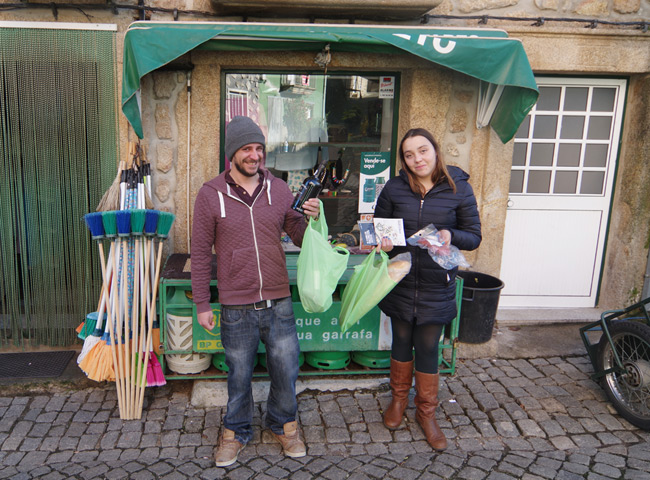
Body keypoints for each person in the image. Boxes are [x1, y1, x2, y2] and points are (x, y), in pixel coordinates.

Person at [191, 116, 320, 467]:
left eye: (259, 149)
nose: (254, 155)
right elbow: (201, 252)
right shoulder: (210, 195)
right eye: (247, 149)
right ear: (232, 153)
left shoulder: (278, 189)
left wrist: (314, 218)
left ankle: (284, 424)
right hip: (236, 306)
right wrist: (203, 302)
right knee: (239, 374)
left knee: (285, 368)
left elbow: (296, 232)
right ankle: (235, 431)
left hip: (278, 301)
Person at [374, 128, 482, 451]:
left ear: (435, 151)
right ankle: (397, 402)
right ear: (403, 160)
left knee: (428, 346)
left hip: (438, 284)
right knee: (401, 341)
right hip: (401, 281)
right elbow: (381, 228)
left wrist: (451, 234)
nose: (417, 159)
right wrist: (383, 243)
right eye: (409, 155)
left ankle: (427, 413)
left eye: (423, 151)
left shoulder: (458, 188)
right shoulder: (394, 188)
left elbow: (474, 236)